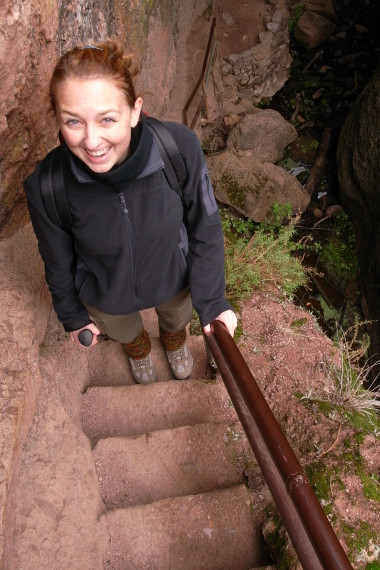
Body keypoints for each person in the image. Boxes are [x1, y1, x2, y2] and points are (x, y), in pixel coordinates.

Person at [24, 39, 237, 385]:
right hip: (106, 294)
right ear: (58, 119)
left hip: (173, 276)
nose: (91, 141)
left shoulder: (178, 148)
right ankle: (137, 349)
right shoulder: (48, 186)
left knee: (175, 317)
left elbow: (205, 225)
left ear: (135, 110)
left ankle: (174, 340)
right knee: (124, 331)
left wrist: (211, 300)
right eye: (73, 122)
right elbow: (57, 260)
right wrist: (72, 315)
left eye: (107, 119)